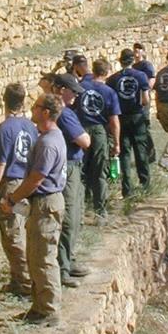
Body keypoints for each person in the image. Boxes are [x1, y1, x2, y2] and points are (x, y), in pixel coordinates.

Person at [0, 93, 67, 325]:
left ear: (46, 112)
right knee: (36, 256)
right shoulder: (50, 137)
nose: (32, 109)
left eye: (36, 106)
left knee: (43, 258)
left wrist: (12, 199)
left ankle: (48, 311)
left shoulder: (48, 143)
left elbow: (36, 179)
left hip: (46, 203)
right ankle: (39, 307)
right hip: (44, 203)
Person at [0, 83, 37, 297]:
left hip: (12, 185)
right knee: (22, 232)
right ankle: (17, 279)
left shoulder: (4, 129)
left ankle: (25, 285)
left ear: (4, 100)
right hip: (28, 184)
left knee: (13, 235)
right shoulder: (31, 127)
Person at [52, 73, 91, 287]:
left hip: (72, 166)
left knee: (75, 215)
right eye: (72, 92)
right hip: (68, 167)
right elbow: (84, 140)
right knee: (68, 217)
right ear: (61, 90)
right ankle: (63, 267)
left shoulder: (63, 111)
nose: (75, 96)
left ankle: (68, 260)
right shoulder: (65, 114)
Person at [77, 58, 121, 221]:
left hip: (81, 130)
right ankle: (100, 211)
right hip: (99, 131)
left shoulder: (80, 87)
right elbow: (114, 121)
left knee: (80, 170)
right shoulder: (109, 92)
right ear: (107, 72)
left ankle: (80, 210)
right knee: (100, 171)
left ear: (93, 70)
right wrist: (116, 143)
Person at [108, 49, 151, 196]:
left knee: (124, 153)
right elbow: (146, 99)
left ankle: (127, 188)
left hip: (120, 118)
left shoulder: (112, 79)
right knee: (140, 150)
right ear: (133, 60)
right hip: (137, 116)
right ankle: (145, 184)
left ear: (120, 61)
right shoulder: (141, 76)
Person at [133, 42, 157, 163]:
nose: (136, 52)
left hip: (143, 100)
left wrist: (144, 94)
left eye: (139, 49)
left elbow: (152, 80)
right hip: (134, 101)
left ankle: (151, 155)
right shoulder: (133, 66)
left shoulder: (146, 65)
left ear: (143, 51)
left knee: (145, 127)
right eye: (135, 49)